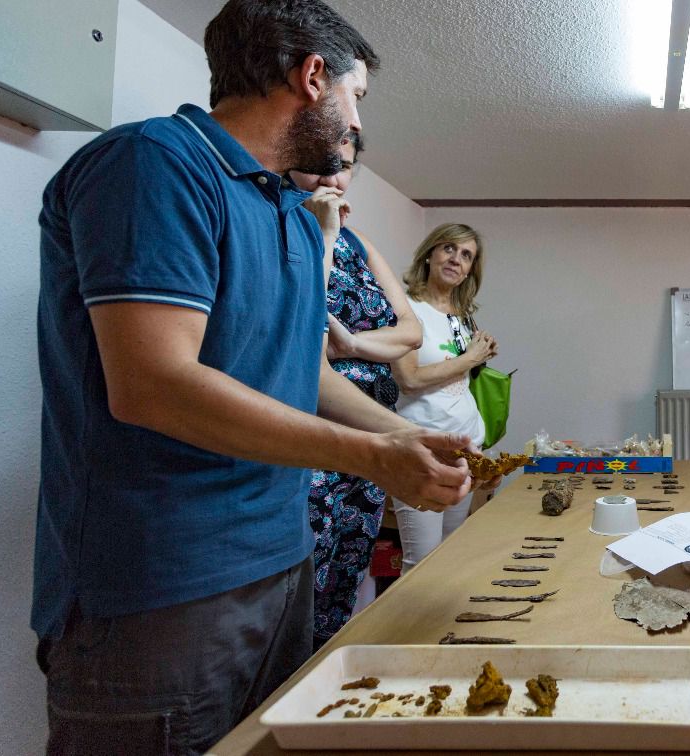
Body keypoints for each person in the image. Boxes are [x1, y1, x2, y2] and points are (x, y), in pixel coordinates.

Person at [33, 2, 474, 753]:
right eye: (356, 96)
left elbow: (301, 371)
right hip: (163, 583)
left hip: (282, 560)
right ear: (312, 76)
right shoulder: (155, 162)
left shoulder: (295, 215)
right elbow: (153, 384)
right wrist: (371, 455)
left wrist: (405, 436)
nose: (356, 122)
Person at [288, 133, 425, 650]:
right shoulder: (293, 230)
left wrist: (350, 344)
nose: (332, 179)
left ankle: (326, 672)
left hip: (370, 436)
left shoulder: (361, 242)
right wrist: (324, 233)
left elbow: (410, 331)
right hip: (316, 433)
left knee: (345, 576)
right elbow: (303, 320)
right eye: (320, 165)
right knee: (303, 585)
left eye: (343, 167)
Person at [391, 223, 502, 570]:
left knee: (448, 559)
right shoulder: (406, 310)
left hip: (465, 448)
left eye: (466, 255)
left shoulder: (463, 317)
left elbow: (459, 374)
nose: (456, 259)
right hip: (423, 450)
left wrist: (480, 354)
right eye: (449, 248)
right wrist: (469, 359)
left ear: (470, 270)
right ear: (430, 254)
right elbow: (409, 379)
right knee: (421, 564)